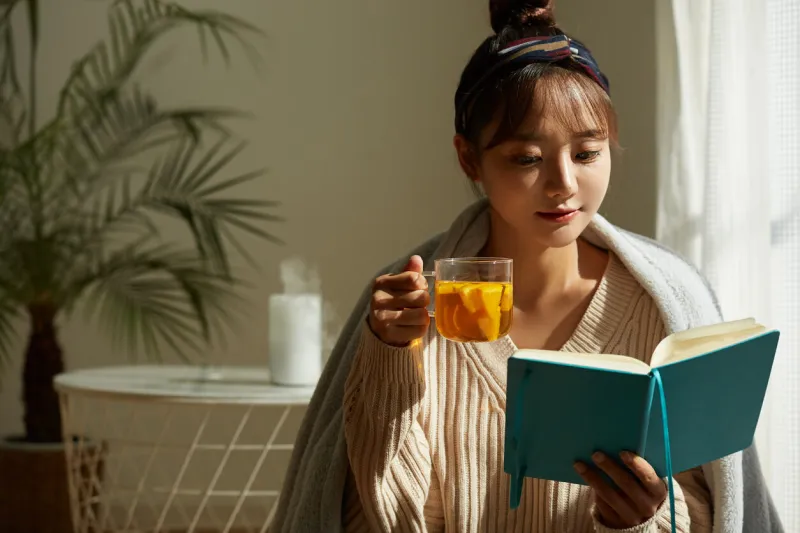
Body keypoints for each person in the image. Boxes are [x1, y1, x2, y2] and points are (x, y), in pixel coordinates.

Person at [269, 1, 783, 532]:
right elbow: (376, 518)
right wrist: (389, 358)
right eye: (527, 159)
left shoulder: (669, 301)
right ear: (469, 158)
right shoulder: (408, 308)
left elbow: (721, 514)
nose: (563, 184)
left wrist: (645, 519)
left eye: (586, 154)